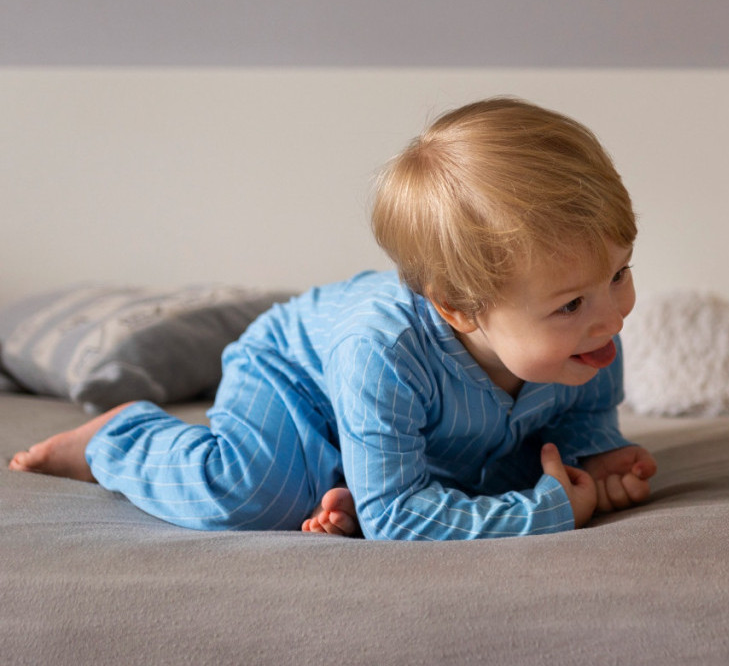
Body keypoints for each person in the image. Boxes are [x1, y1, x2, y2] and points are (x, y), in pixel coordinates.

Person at [9, 97, 657, 540]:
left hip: (407, 421)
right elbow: (397, 519)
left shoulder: (584, 338)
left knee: (506, 469)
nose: (612, 316)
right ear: (459, 309)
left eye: (619, 274)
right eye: (572, 303)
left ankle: (350, 477)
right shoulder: (385, 350)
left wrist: (595, 459)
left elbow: (579, 420)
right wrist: (546, 512)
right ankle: (117, 438)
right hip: (298, 382)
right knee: (247, 494)